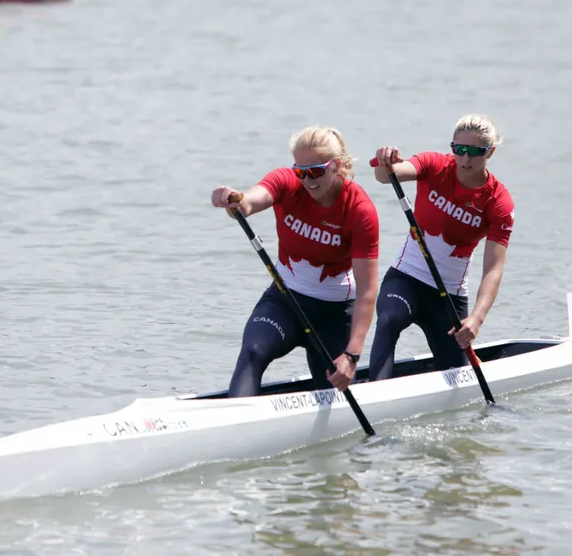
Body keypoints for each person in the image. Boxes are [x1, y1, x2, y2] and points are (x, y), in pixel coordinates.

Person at [211, 126, 379, 397]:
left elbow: (368, 291)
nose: (307, 180)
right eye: (301, 171)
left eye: (315, 171)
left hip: (333, 313)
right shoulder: (286, 181)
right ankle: (236, 428)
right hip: (285, 301)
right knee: (253, 350)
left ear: (335, 166)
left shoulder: (360, 210)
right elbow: (250, 202)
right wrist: (234, 200)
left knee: (332, 391)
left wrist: (352, 355)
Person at [367, 114, 515, 381]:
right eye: (459, 150)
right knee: (388, 319)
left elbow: (493, 269)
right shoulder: (434, 165)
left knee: (457, 375)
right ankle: (377, 394)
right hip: (406, 279)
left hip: (448, 297)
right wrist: (384, 161)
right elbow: (386, 176)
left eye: (475, 152)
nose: (465, 159)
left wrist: (476, 320)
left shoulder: (497, 201)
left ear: (490, 152)